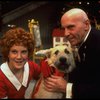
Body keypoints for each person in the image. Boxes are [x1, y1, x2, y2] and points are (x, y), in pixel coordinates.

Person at [44, 8, 100, 99]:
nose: (66, 34)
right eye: (64, 28)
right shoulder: (82, 40)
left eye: (70, 27)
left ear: (86, 24)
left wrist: (68, 87)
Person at [0, 27, 41, 99]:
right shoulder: (1, 78)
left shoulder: (31, 66)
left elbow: (43, 77)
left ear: (29, 53)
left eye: (24, 52)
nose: (19, 57)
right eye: (14, 52)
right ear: (7, 53)